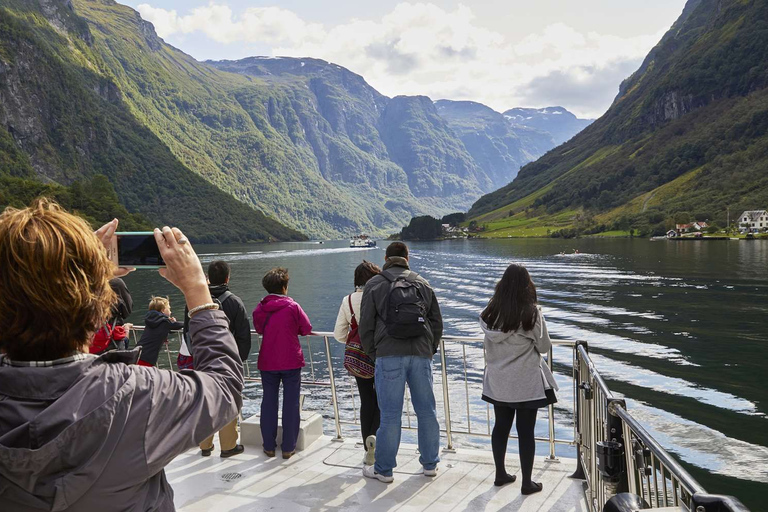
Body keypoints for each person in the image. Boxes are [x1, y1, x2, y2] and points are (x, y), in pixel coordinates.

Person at [0, 199, 243, 511]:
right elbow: (224, 388)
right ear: (98, 308)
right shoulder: (138, 394)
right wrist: (197, 288)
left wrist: (91, 280)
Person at [359, 242, 443, 483]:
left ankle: (384, 470)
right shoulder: (422, 283)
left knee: (390, 415)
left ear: (386, 258)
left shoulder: (374, 284)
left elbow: (366, 326)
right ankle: (429, 465)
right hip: (420, 354)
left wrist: (376, 354)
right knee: (427, 411)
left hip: (388, 355)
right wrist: (429, 349)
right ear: (407, 257)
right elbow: (436, 323)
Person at [479, 263, 558, 494]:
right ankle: (527, 482)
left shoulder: (489, 314)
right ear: (527, 285)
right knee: (526, 431)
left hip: (498, 381)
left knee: (501, 427)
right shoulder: (530, 313)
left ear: (502, 285)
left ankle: (500, 474)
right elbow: (544, 347)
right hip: (525, 382)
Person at [189, 260, 251, 458]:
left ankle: (205, 445)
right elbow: (243, 336)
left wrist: (196, 355)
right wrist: (238, 360)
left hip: (201, 360)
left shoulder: (195, 301)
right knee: (229, 399)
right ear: (227, 278)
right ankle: (228, 446)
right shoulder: (234, 302)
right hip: (227, 361)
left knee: (205, 401)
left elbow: (187, 332)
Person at [253, 267, 312, 459]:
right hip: (291, 361)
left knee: (268, 402)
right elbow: (306, 328)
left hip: (268, 361)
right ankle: (288, 447)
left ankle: (268, 446)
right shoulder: (293, 307)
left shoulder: (260, 309)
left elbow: (259, 329)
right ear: (285, 287)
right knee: (291, 403)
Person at [333, 260, 382, 466]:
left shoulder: (349, 300)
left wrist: (354, 342)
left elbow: (338, 334)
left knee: (366, 401)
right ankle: (376, 439)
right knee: (382, 401)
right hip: (381, 354)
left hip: (359, 359)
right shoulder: (381, 295)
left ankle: (366, 448)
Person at [136, 296, 184, 367]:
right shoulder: (164, 322)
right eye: (169, 308)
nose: (171, 311)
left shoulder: (151, 320)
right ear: (163, 310)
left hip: (138, 353)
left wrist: (170, 322)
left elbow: (165, 328)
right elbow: (177, 325)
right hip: (148, 357)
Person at [110, 277, 134, 349]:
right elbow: (127, 310)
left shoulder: (84, 282)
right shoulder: (116, 283)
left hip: (88, 338)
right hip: (113, 337)